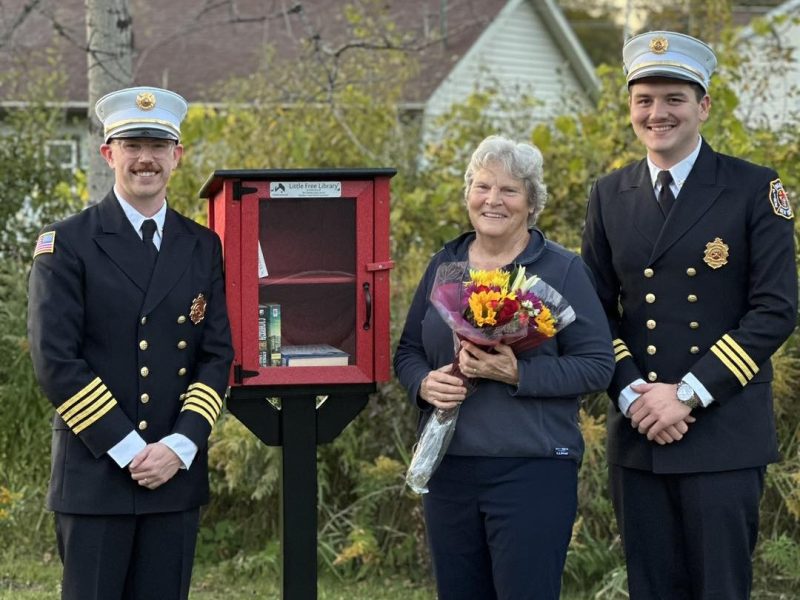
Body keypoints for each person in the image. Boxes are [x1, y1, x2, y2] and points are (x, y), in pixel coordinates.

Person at [581, 31, 798, 599]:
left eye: (674, 98)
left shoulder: (754, 187)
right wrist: (633, 395)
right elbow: (594, 309)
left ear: (703, 106)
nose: (658, 113)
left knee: (719, 588)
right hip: (640, 431)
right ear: (631, 108)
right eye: (644, 100)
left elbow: (776, 308)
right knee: (650, 588)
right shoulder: (609, 193)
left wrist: (687, 394)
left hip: (722, 429)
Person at [27, 86, 234, 600]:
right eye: (132, 145)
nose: (146, 158)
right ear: (108, 153)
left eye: (158, 146)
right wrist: (131, 450)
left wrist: (179, 447)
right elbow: (56, 360)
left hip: (174, 475)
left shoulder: (202, 245)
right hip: (96, 474)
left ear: (176, 156)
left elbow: (215, 355)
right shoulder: (67, 243)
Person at [394, 135, 614, 600]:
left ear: (532, 203)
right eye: (482, 186)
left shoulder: (561, 269)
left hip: (532, 469)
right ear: (468, 194)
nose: (492, 200)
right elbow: (408, 351)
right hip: (448, 468)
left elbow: (597, 367)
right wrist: (424, 384)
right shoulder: (446, 266)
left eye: (509, 190)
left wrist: (518, 375)